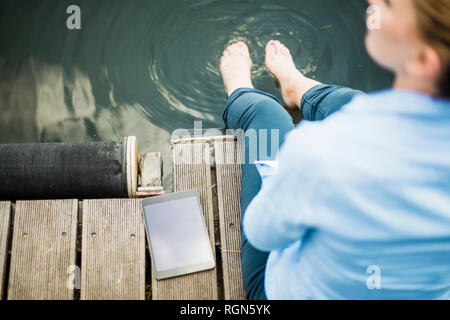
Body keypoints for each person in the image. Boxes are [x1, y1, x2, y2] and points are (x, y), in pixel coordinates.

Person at [219, 0, 450, 300]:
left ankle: (240, 87)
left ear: (423, 61)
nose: (373, 4)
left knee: (267, 117)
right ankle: (295, 85)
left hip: (285, 290)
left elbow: (262, 232)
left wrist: (289, 181)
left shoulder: (321, 151)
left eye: (389, 5)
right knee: (351, 103)